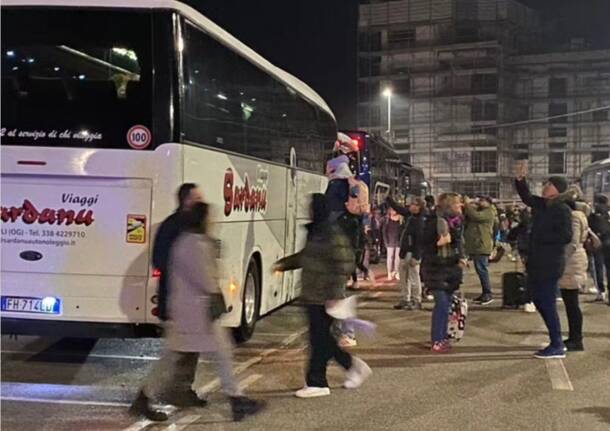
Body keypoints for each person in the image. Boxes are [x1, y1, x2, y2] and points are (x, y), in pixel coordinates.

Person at [131, 203, 265, 422]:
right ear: (202, 220)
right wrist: (218, 296)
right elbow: (206, 278)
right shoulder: (196, 244)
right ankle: (236, 400)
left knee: (175, 357)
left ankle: (144, 398)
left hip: (187, 311)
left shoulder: (185, 241)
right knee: (217, 353)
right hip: (197, 313)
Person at [273, 194, 372, 398]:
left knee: (319, 340)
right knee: (321, 339)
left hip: (324, 296)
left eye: (312, 207)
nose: (309, 211)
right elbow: (307, 257)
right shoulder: (318, 232)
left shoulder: (330, 233)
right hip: (313, 294)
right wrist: (285, 264)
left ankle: (318, 382)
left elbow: (344, 263)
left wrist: (335, 294)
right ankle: (351, 367)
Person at [515, 162, 573, 359]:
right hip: (538, 261)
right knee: (539, 299)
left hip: (549, 263)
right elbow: (527, 197)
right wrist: (520, 180)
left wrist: (540, 238)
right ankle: (555, 341)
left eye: (548, 184)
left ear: (556, 189)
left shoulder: (561, 209)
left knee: (546, 301)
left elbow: (566, 236)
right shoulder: (543, 205)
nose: (545, 186)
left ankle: (557, 344)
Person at [420, 193, 466, 353]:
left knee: (446, 306)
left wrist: (461, 256)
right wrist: (438, 243)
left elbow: (458, 244)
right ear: (449, 205)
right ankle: (437, 339)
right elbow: (426, 244)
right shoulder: (434, 222)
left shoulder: (456, 223)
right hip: (436, 269)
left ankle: (442, 337)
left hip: (450, 268)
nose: (461, 206)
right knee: (441, 304)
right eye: (457, 204)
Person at [152, 183, 204, 321]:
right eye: (197, 198)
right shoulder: (173, 226)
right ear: (187, 201)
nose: (201, 202)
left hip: (185, 303)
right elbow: (159, 259)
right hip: (178, 301)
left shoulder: (192, 226)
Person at [558, 187, 590, 352]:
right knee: (571, 302)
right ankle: (574, 337)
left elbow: (573, 242)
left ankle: (576, 339)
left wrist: (560, 258)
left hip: (572, 262)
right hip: (574, 260)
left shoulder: (573, 218)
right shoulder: (580, 215)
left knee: (572, 302)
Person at [387, 197, 425, 310]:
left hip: (412, 252)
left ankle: (416, 300)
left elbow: (420, 240)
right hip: (405, 251)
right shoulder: (410, 216)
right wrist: (389, 199)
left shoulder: (420, 220)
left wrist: (416, 256)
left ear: (419, 207)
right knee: (404, 278)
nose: (411, 206)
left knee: (414, 277)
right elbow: (399, 209)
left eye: (414, 204)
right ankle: (405, 299)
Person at [463, 196, 496, 305]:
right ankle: (484, 293)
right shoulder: (480, 211)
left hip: (482, 245)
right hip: (476, 245)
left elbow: (476, 216)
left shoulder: (489, 212)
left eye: (482, 201)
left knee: (482, 270)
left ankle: (488, 293)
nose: (479, 202)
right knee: (479, 269)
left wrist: (468, 204)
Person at [588, 194, 610, 303]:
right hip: (608, 240)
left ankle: (601, 292)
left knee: (598, 267)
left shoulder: (593, 212)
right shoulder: (608, 212)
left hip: (598, 242)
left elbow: (589, 226)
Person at [383, 207, 403, 281]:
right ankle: (389, 272)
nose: (393, 211)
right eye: (392, 210)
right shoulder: (387, 220)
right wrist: (386, 242)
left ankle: (396, 272)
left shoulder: (401, 219)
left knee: (397, 258)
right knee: (390, 258)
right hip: (390, 241)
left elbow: (402, 230)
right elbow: (384, 232)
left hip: (398, 241)